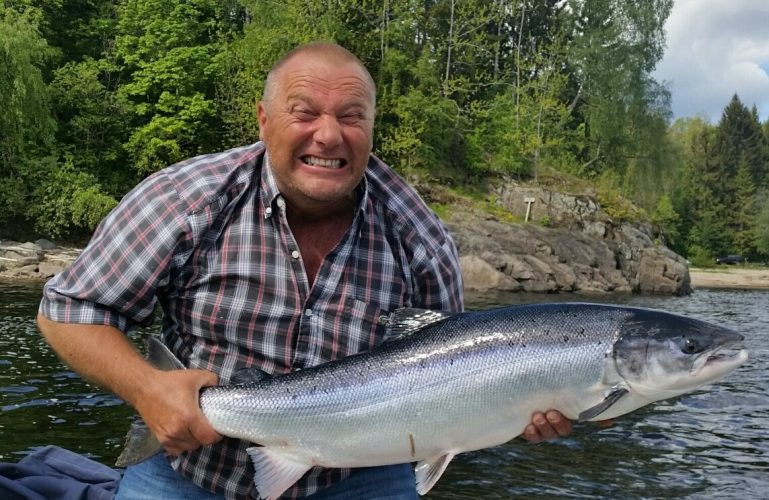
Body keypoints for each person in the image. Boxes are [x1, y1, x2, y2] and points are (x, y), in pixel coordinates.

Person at [37, 42, 572, 499]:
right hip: (189, 469)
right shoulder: (184, 201)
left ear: (371, 126)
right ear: (264, 120)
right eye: (305, 112)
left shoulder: (420, 238)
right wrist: (147, 388)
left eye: (351, 116)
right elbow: (68, 310)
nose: (328, 135)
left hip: (360, 477)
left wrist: (539, 399)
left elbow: (457, 380)